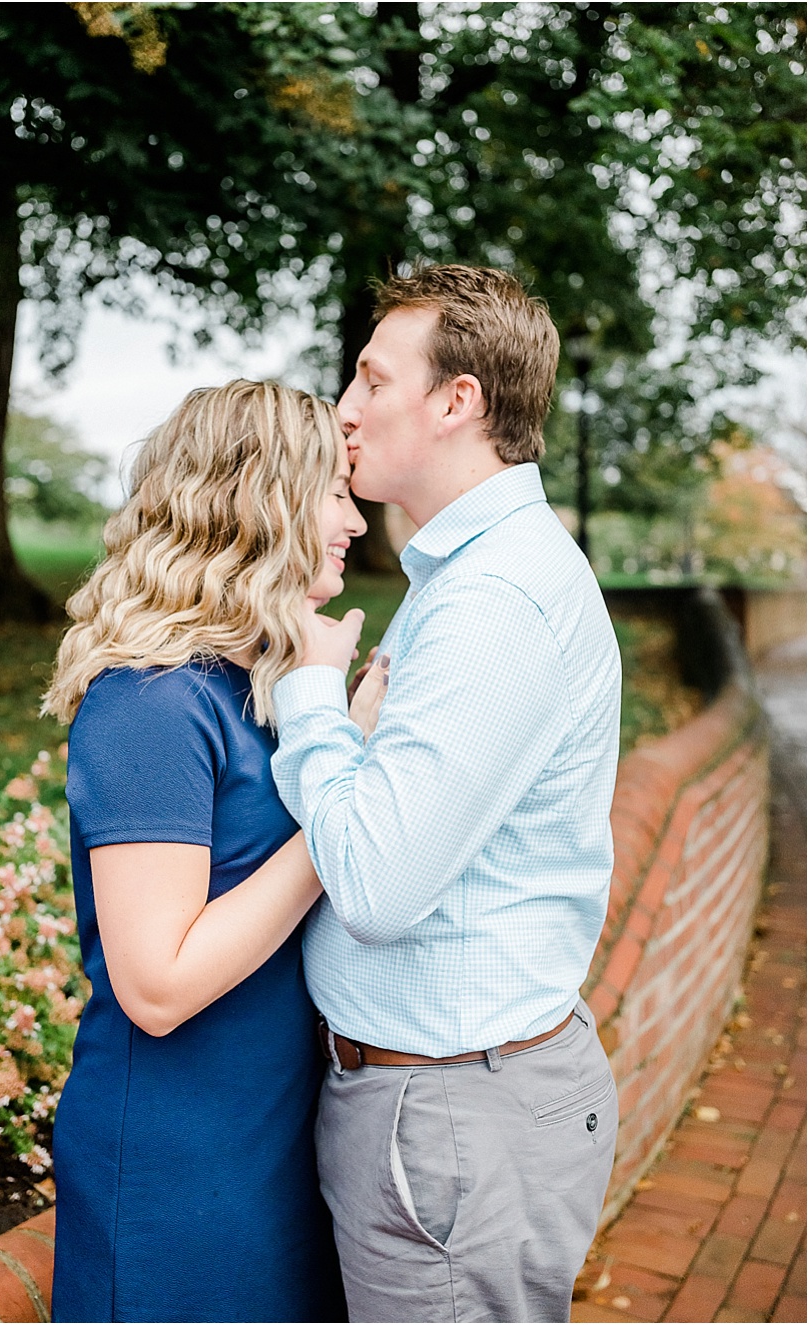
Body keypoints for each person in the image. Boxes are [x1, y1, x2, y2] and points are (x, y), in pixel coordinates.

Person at [270, 265, 622, 1324]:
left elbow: (376, 883)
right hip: (449, 1106)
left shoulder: (491, 600)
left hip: (446, 1116)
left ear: (456, 401)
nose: (343, 408)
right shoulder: (473, 578)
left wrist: (309, 697)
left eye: (373, 379)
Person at [42, 379, 369, 1324]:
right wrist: (335, 821)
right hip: (176, 1172)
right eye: (333, 491)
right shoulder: (150, 700)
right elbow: (158, 982)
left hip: (274, 1141)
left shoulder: (254, 685)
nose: (353, 518)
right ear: (259, 497)